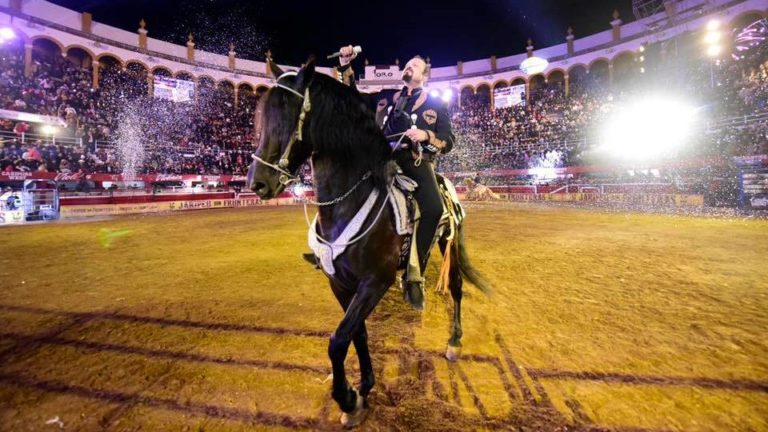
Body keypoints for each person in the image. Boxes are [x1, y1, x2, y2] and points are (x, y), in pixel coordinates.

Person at [335, 46, 456, 310]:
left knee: (434, 208)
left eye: (414, 65)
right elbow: (351, 98)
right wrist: (345, 66)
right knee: (342, 183)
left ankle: (414, 273)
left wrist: (426, 136)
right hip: (379, 159)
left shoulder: (436, 104)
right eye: (407, 64)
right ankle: (334, 250)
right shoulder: (386, 96)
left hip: (415, 161)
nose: (408, 67)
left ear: (424, 76)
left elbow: (448, 141)